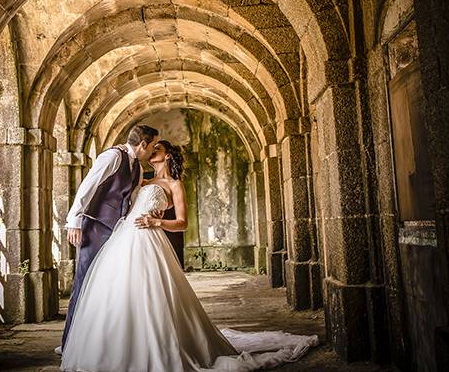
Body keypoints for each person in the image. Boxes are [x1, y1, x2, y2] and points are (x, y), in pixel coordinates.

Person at [60, 141, 319, 371]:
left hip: (149, 239)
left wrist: (156, 222)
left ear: (167, 155)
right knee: (117, 293)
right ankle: (116, 348)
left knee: (153, 295)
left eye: (157, 149)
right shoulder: (141, 178)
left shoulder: (175, 184)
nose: (152, 151)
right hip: (124, 239)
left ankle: (157, 347)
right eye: (152, 147)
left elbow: (182, 222)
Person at [57, 125, 159, 354]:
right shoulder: (113, 156)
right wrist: (74, 220)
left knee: (103, 286)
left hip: (116, 230)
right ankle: (68, 344)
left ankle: (93, 340)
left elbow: (132, 199)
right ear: (142, 144)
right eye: (152, 146)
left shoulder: (138, 168)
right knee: (83, 282)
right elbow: (88, 185)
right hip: (94, 226)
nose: (152, 151)